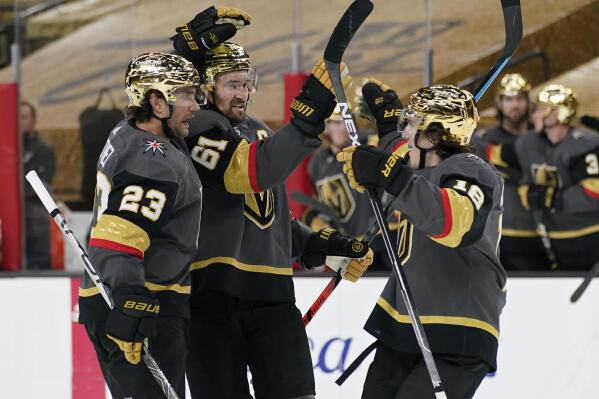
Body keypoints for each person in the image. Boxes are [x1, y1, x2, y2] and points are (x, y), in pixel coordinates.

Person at [171, 12, 374, 397]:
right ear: (205, 88)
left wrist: (321, 245)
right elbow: (251, 173)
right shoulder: (195, 128)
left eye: (247, 84)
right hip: (212, 299)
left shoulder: (257, 129)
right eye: (232, 84)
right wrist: (308, 114)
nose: (243, 94)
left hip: (273, 296)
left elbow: (269, 217)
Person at [337, 81, 506, 399]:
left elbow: (452, 222)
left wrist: (386, 173)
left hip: (457, 329)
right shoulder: (420, 165)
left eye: (410, 123)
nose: (404, 133)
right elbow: (402, 161)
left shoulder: (473, 171)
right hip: (403, 327)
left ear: (435, 136)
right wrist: (388, 123)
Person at [78, 52, 203, 398]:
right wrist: (130, 300)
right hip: (141, 305)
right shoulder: (153, 159)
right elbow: (119, 236)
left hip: (117, 297)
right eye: (186, 95)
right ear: (155, 101)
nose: (195, 105)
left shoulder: (127, 131)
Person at [303, 92, 408, 271]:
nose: (342, 127)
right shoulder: (317, 164)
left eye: (345, 121)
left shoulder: (366, 142)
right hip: (353, 242)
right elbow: (324, 204)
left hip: (385, 232)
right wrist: (316, 219)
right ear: (327, 127)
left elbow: (394, 148)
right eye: (336, 122)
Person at [515, 84, 599, 270]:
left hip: (592, 236)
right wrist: (528, 194)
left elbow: (594, 191)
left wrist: (556, 198)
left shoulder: (586, 144)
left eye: (542, 109)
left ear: (558, 113)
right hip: (556, 238)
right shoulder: (527, 144)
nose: (535, 115)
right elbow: (526, 181)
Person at [471, 73, 548, 270]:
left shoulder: (546, 136)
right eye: (509, 99)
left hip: (543, 233)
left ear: (528, 102)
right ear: (499, 102)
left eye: (520, 98)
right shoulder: (486, 139)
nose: (515, 105)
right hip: (499, 234)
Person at [21, 101, 55, 270]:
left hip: (36, 220)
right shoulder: (8, 149)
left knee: (39, 264)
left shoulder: (43, 150)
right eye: (17, 117)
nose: (21, 121)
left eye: (24, 117)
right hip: (13, 221)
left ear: (33, 121)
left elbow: (43, 185)